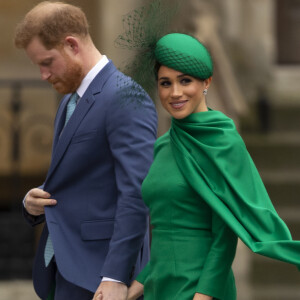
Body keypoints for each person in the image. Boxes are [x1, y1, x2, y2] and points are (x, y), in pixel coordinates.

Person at [121, 33, 300, 300]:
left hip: (199, 287)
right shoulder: (163, 144)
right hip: (160, 285)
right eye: (165, 83)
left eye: (185, 81)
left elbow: (226, 231)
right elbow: (165, 226)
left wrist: (204, 293)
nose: (175, 93)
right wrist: (140, 282)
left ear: (206, 82)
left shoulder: (223, 142)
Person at [14, 2, 157, 300]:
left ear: (71, 45)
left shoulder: (125, 96)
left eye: (47, 62)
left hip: (102, 278)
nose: (42, 74)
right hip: (67, 270)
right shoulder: (70, 99)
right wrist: (34, 199)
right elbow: (85, 178)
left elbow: (137, 192)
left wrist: (116, 275)